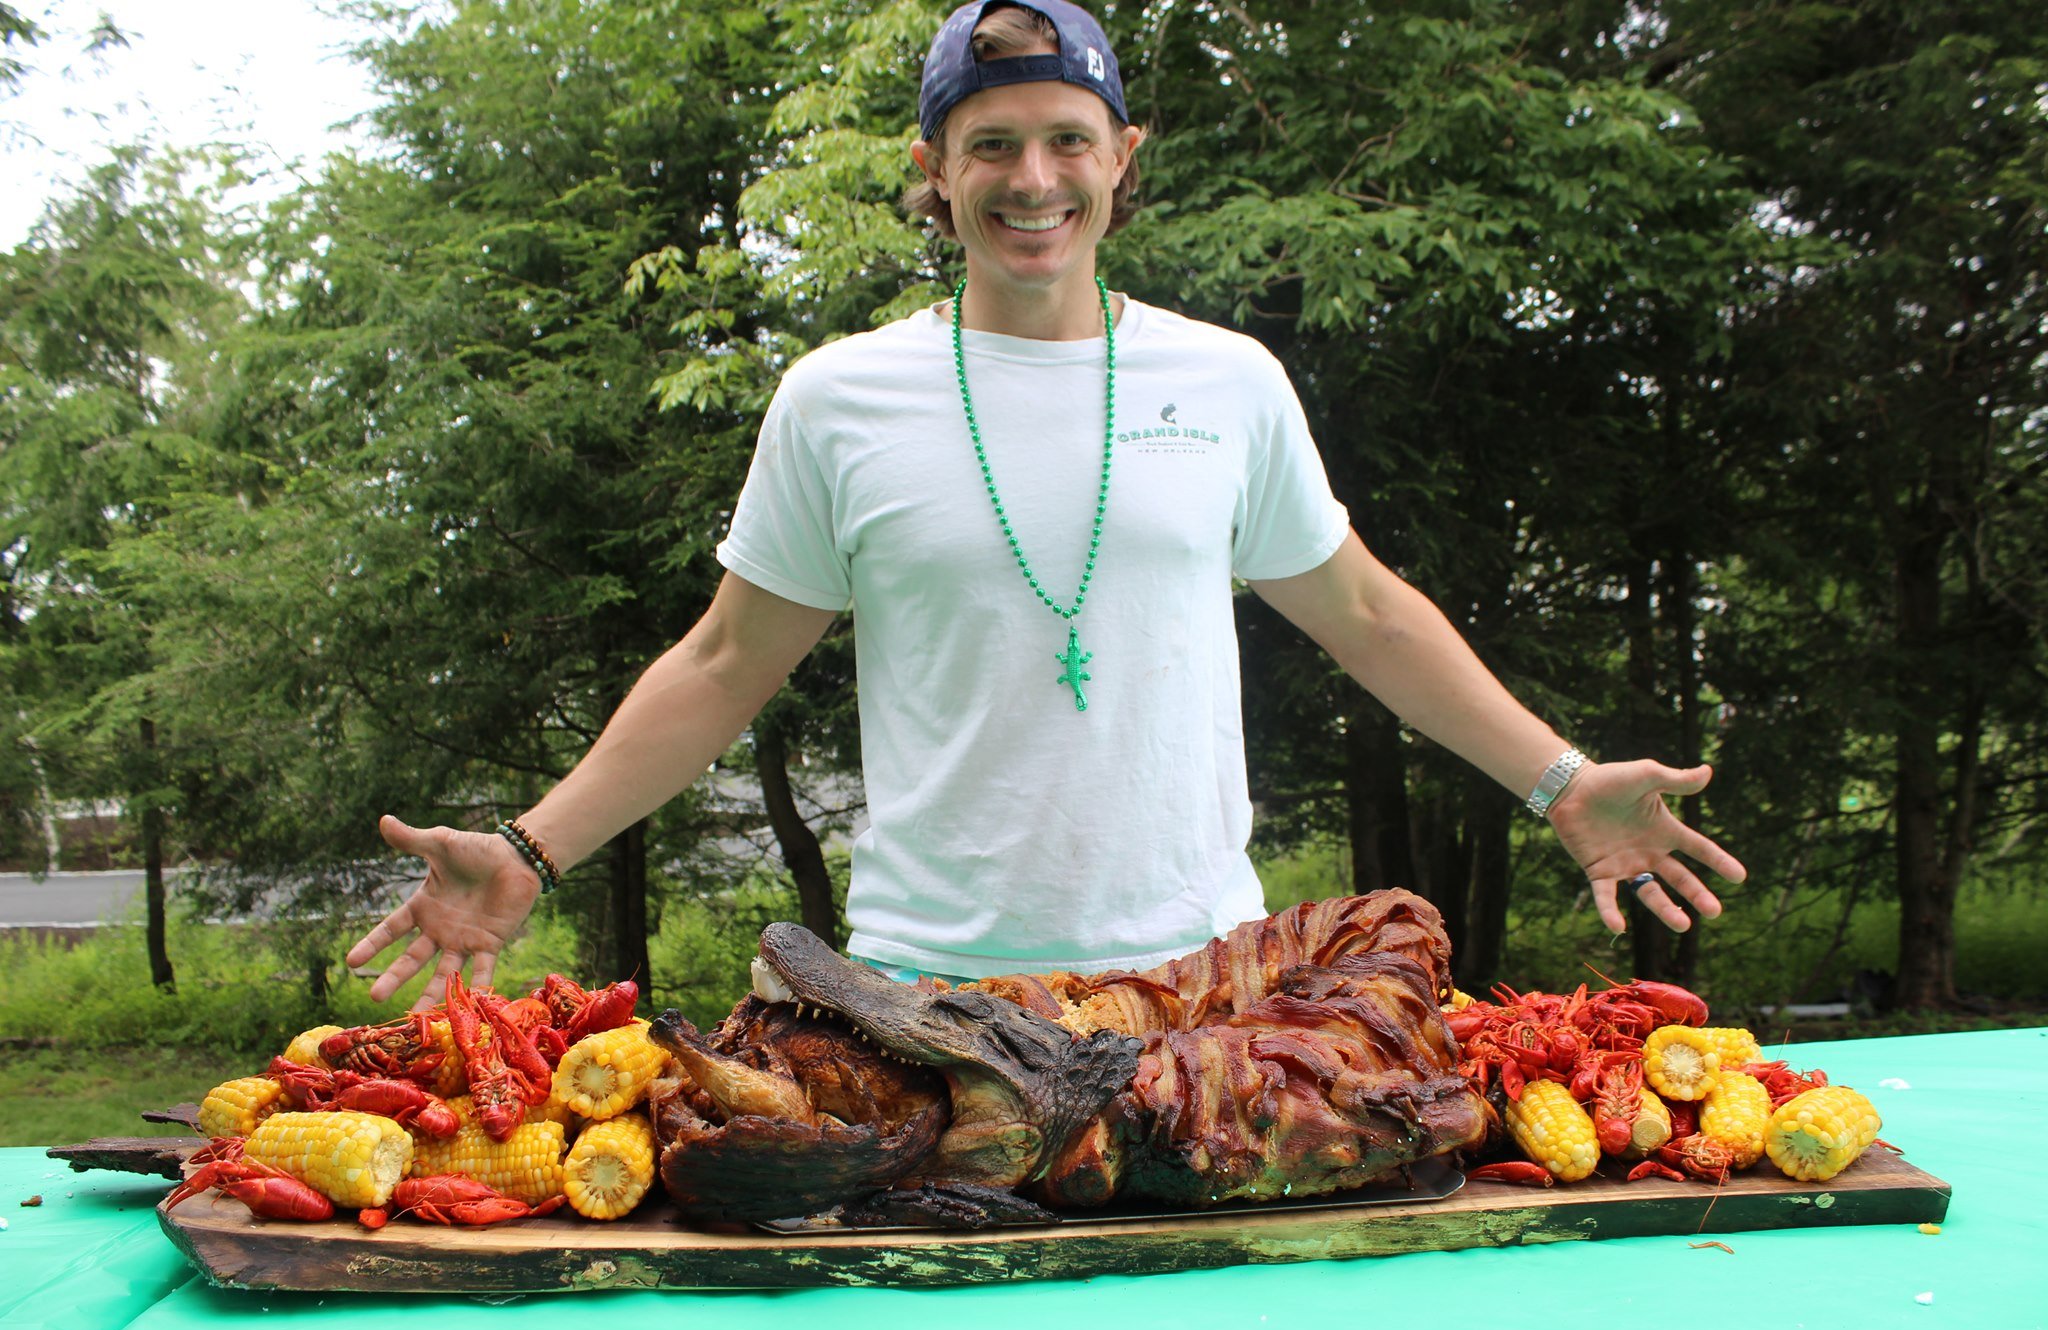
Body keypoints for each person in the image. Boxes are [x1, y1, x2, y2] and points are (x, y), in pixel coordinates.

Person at [348, 0, 1745, 1008]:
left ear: (1123, 155)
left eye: (1067, 140)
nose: (1032, 180)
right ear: (933, 171)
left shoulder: (1230, 378)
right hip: (926, 998)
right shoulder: (841, 398)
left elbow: (1367, 612)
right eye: (992, 143)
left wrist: (1561, 779)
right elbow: (722, 665)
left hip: (1208, 989)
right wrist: (535, 845)